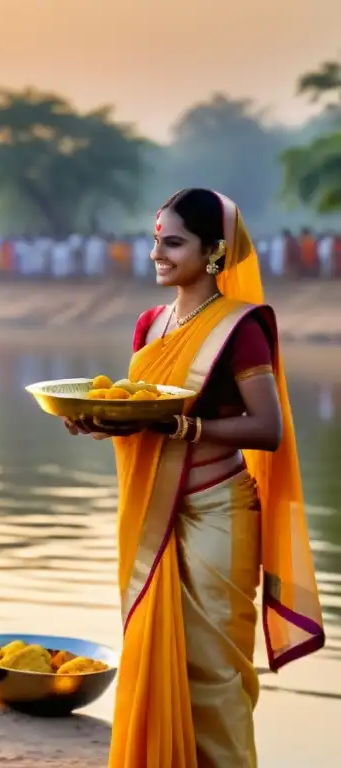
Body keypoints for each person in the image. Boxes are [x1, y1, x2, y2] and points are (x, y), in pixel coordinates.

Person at [63, 188, 324, 767]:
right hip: (154, 510)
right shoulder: (150, 325)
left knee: (213, 672)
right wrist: (102, 424)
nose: (157, 252)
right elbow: (143, 415)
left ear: (213, 252)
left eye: (173, 242)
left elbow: (267, 428)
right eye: (156, 239)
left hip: (218, 514)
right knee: (157, 657)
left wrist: (181, 427)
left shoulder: (240, 328)